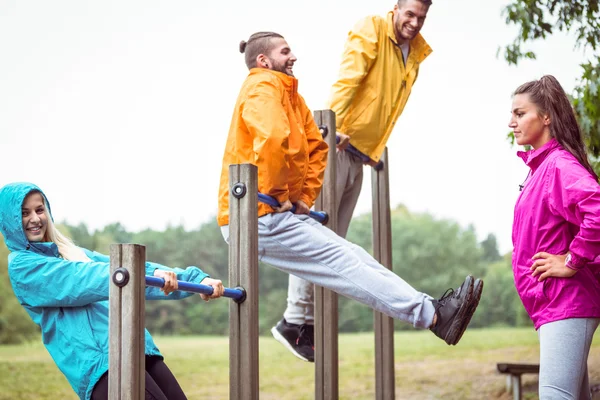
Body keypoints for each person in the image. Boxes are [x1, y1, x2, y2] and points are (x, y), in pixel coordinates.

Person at [217, 31, 483, 363]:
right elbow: (271, 140)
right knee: (345, 263)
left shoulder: (292, 96)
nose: (294, 56)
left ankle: (432, 310)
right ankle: (431, 316)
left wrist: (302, 198)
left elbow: (317, 147)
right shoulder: (261, 86)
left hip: (274, 212)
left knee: (355, 256)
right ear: (264, 60)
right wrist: (280, 194)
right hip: (254, 217)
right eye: (286, 51)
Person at [276, 0, 434, 358]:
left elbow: (386, 107)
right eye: (409, 14)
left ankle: (305, 320)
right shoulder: (372, 29)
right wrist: (328, 128)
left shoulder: (416, 52)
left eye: (421, 17)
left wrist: (373, 150)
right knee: (315, 236)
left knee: (334, 240)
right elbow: (349, 80)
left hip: (361, 153)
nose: (414, 22)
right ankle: (295, 319)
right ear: (396, 7)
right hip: (338, 144)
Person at [0, 182, 225, 400]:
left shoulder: (69, 251)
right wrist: (137, 274)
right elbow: (93, 278)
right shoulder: (24, 267)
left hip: (134, 344)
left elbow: (126, 266)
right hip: (100, 364)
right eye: (24, 213)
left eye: (40, 210)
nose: (35, 218)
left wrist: (196, 280)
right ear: (10, 221)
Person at [509, 75, 600, 399]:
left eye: (520, 114)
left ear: (545, 116)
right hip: (555, 304)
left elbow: (598, 210)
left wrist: (573, 261)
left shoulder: (558, 166)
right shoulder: (541, 169)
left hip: (567, 301)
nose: (511, 123)